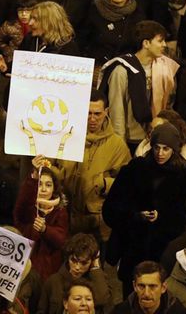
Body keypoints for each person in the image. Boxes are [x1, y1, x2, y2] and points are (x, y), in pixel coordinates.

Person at [104, 124, 186, 288]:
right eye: (157, 147)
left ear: (174, 150)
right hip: (133, 246)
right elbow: (112, 207)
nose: (160, 153)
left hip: (164, 251)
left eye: (165, 149)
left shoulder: (184, 176)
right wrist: (135, 215)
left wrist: (162, 217)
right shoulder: (134, 169)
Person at [51, 91, 131, 242]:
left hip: (97, 221)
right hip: (66, 215)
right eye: (88, 113)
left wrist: (104, 184)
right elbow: (52, 168)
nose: (92, 119)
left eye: (97, 114)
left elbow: (128, 184)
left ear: (106, 112)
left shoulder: (117, 145)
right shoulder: (67, 137)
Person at [100, 21, 178, 147]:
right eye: (160, 41)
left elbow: (169, 103)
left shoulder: (164, 68)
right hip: (131, 139)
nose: (164, 45)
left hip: (155, 136)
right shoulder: (122, 70)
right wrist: (120, 144)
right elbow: (116, 111)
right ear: (146, 43)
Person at [39, 233, 119, 314]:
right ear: (68, 258)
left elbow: (103, 300)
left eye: (84, 263)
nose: (77, 267)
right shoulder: (53, 281)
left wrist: (95, 267)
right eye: (73, 261)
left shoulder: (99, 281)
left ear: (91, 262)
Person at [15, 163, 69, 282]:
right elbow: (21, 209)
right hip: (25, 267)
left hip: (49, 270)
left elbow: (61, 240)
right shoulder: (28, 208)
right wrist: (33, 178)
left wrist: (45, 230)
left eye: (48, 185)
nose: (44, 189)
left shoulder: (60, 211)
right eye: (39, 184)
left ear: (54, 188)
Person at [110, 261, 186, 314]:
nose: (146, 293)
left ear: (163, 288)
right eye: (141, 286)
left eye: (152, 286)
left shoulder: (177, 311)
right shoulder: (121, 311)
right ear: (134, 286)